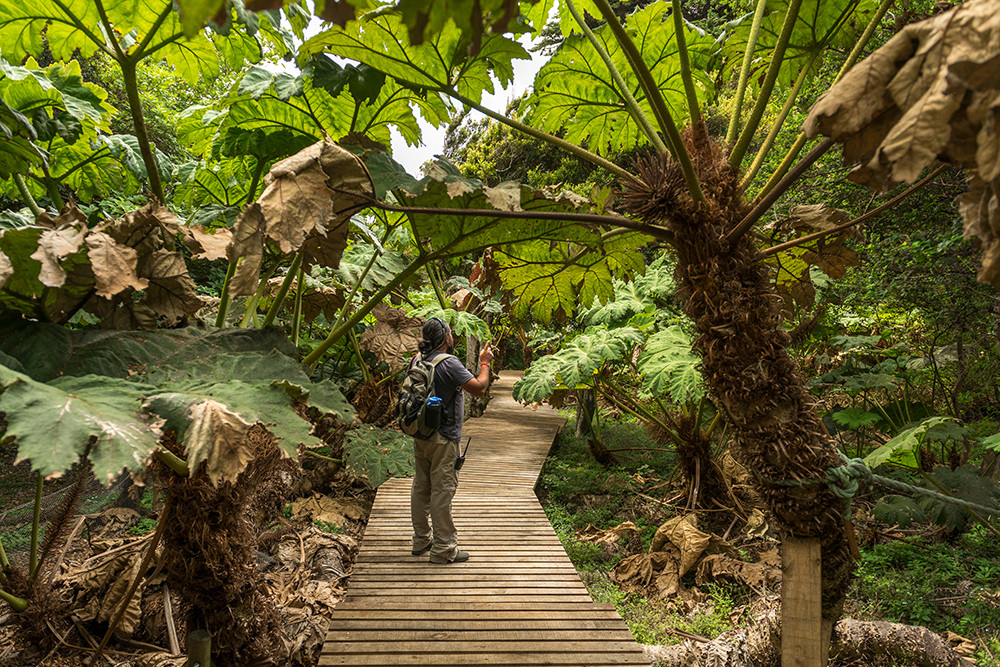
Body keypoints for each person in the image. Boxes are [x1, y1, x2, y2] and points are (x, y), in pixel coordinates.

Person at [409, 317, 493, 564]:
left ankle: (421, 539)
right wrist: (485, 363)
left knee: (421, 486)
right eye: (450, 332)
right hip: (444, 438)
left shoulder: (417, 358)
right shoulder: (449, 362)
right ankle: (444, 548)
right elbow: (479, 388)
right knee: (442, 491)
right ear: (445, 337)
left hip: (420, 432)